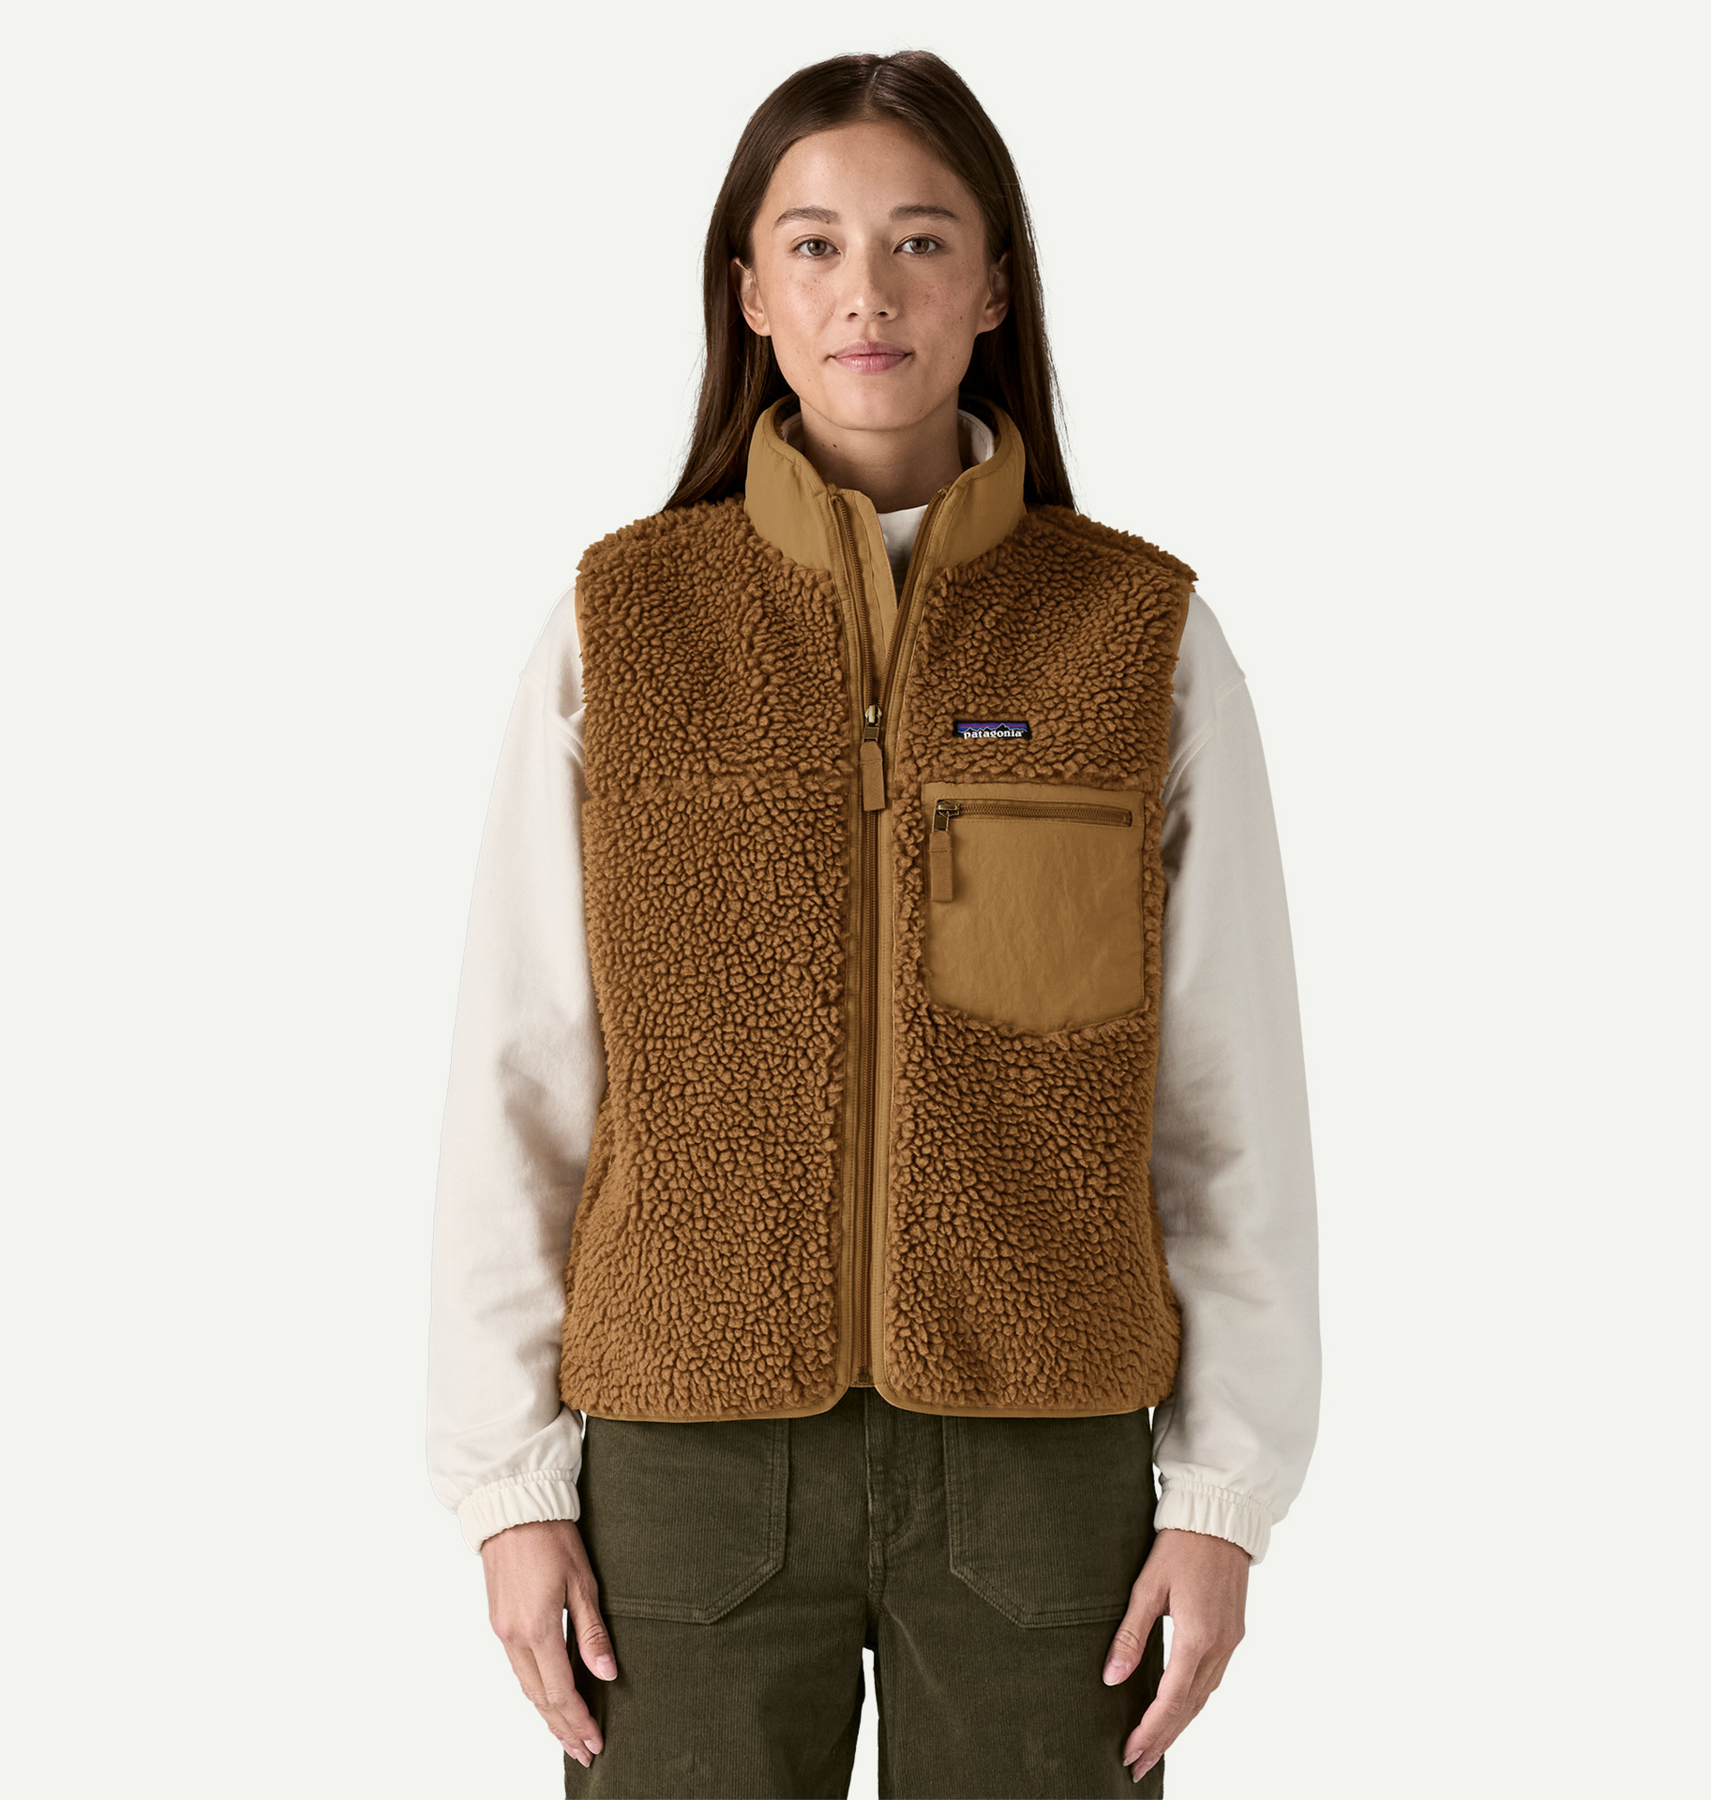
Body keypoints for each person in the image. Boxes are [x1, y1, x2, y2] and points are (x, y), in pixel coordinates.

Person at [427, 48, 1320, 1800]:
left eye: (921, 241)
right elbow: (521, 1070)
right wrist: (506, 1487)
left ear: (993, 289)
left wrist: (1223, 1497)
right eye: (816, 245)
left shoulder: (1138, 636)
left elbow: (1230, 1103)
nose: (868, 292)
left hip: (1044, 1457)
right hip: (682, 1461)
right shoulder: (622, 623)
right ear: (749, 292)